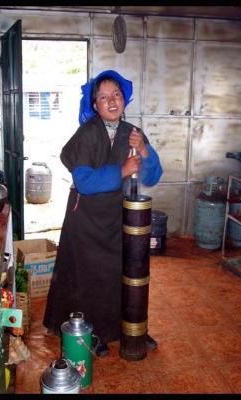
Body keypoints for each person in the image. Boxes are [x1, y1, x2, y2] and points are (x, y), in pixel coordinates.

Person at [43, 70, 163, 356]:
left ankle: (127, 327)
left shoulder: (132, 133)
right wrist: (121, 171)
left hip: (116, 218)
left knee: (119, 273)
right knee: (88, 278)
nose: (111, 101)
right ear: (94, 104)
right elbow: (83, 180)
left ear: (124, 99)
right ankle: (88, 331)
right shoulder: (87, 134)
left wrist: (144, 151)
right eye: (104, 97)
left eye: (117, 95)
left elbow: (153, 176)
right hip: (85, 218)